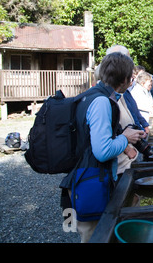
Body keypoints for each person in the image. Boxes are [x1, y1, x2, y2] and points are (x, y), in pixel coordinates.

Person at [60, 52, 145, 242]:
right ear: (123, 79)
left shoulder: (90, 95)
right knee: (96, 236)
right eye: (130, 78)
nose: (131, 82)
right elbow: (102, 150)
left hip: (83, 176)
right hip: (90, 180)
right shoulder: (101, 102)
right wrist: (125, 138)